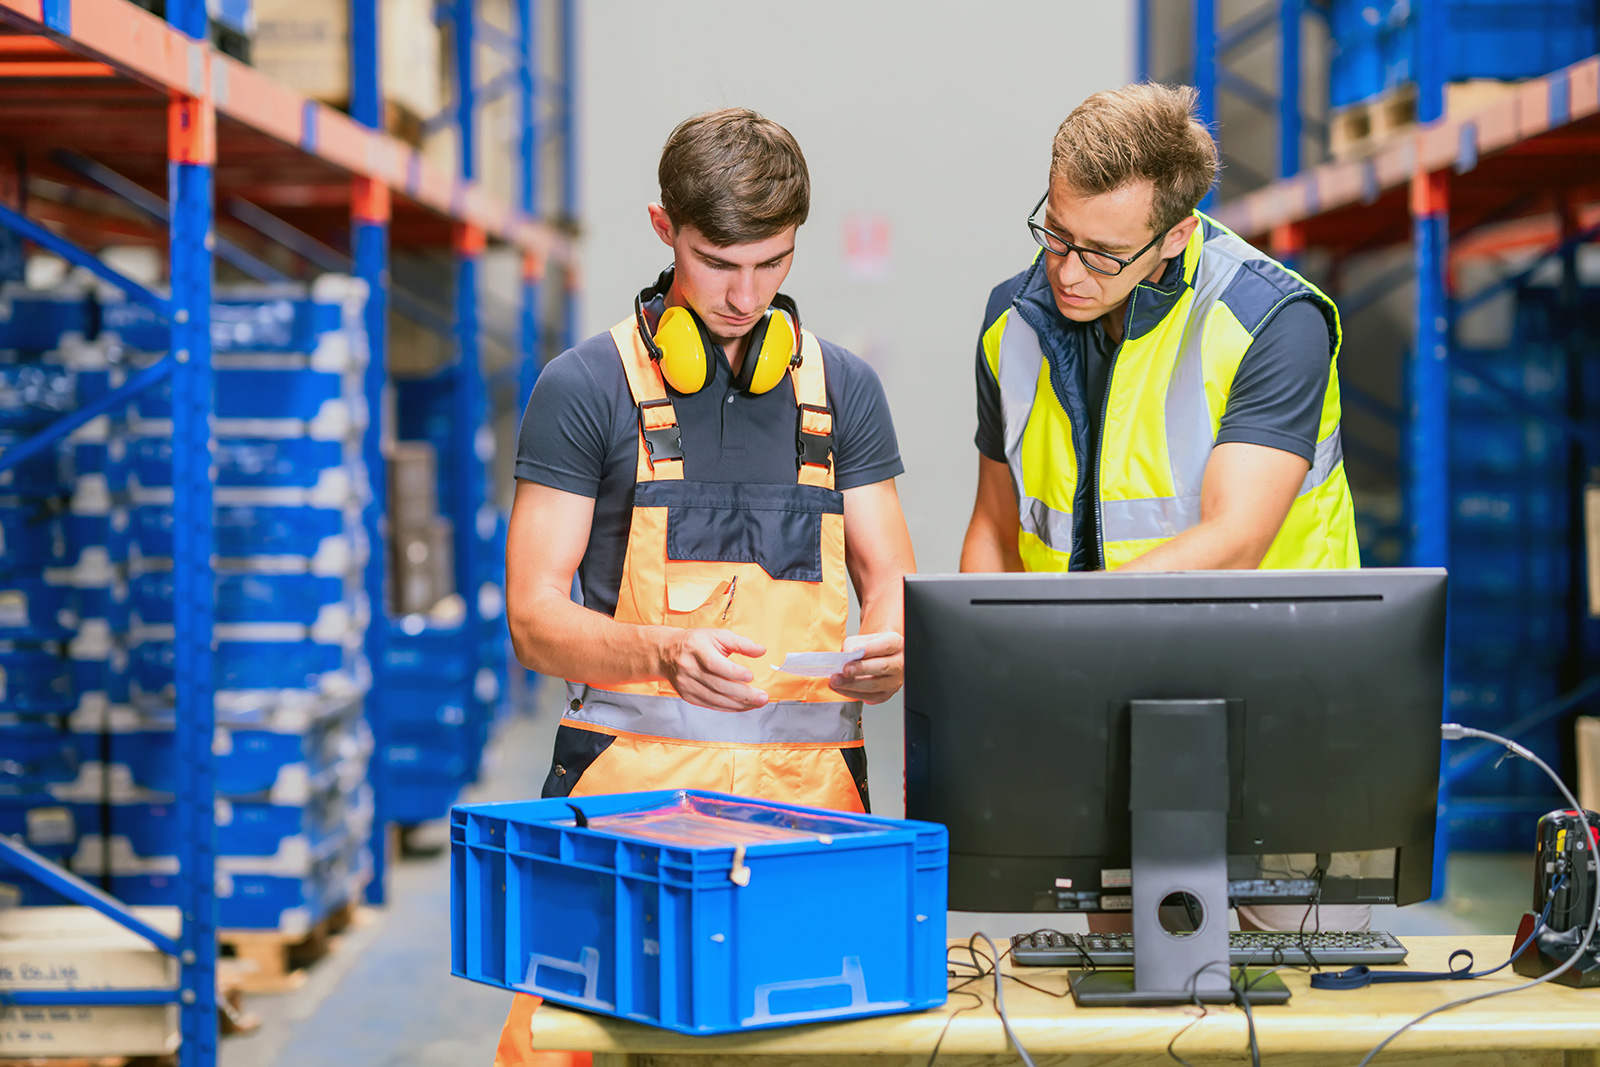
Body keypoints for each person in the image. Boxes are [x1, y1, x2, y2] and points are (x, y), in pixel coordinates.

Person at [960, 83, 1362, 932]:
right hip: (1101, 709)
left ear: (1175, 236)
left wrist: (1059, 625)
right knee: (1116, 995)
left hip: (1271, 713)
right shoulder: (1013, 321)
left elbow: (1238, 537)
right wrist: (981, 668)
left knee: (1291, 1001)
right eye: (1056, 234)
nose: (1067, 271)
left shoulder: (1268, 321)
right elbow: (997, 523)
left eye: (1102, 253)